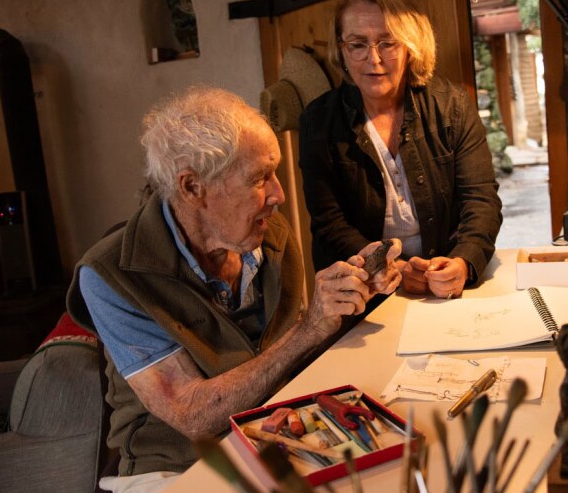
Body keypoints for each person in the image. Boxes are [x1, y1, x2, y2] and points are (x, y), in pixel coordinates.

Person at [66, 87, 401, 492]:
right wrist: (311, 328)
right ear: (192, 188)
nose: (278, 194)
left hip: (277, 438)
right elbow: (192, 415)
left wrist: (351, 293)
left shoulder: (266, 232)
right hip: (177, 468)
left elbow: (290, 355)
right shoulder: (111, 275)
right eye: (260, 178)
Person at [299, 0, 502, 300]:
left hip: (443, 279)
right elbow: (330, 224)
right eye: (358, 44)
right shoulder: (319, 121)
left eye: (387, 42)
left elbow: (481, 200)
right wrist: (389, 267)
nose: (373, 59)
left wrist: (464, 260)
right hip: (363, 291)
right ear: (341, 49)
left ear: (411, 44)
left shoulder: (452, 105)